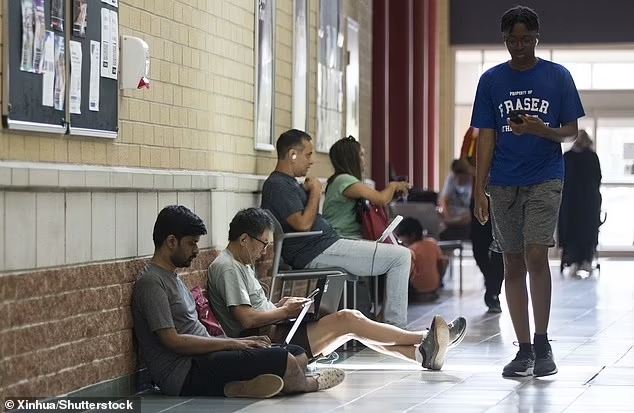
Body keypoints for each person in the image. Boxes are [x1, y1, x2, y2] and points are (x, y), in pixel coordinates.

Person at [471, 5, 585, 378]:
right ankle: (523, 349)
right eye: (512, 40)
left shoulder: (557, 76)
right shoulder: (491, 80)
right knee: (512, 260)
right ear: (504, 40)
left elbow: (570, 131)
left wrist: (542, 130)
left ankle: (542, 341)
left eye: (526, 39)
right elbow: (486, 137)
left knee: (536, 254)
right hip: (503, 181)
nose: (519, 47)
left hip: (545, 176)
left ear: (537, 38)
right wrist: (479, 188)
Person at [207, 207, 467, 370]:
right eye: (262, 244)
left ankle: (422, 356)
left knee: (352, 328)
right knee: (349, 319)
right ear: (244, 239)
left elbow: (255, 309)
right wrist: (285, 311)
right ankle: (425, 337)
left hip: (277, 328)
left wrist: (281, 305)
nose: (264, 251)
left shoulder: (241, 263)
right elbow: (246, 319)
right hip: (270, 340)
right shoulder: (228, 267)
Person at [131, 205, 345, 398]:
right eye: (191, 243)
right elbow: (173, 341)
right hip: (184, 371)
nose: (196, 250)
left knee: (297, 354)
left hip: (205, 357)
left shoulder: (172, 278)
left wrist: (231, 345)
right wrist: (233, 343)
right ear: (171, 242)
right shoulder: (152, 283)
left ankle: (240, 387)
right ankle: (310, 383)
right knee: (286, 360)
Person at [261, 129, 411, 328]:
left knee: (398, 256)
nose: (311, 161)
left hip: (324, 245)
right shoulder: (278, 185)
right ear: (292, 154)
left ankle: (388, 328)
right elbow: (303, 224)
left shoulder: (288, 183)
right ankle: (398, 329)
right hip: (316, 249)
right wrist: (316, 191)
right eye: (308, 155)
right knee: (401, 257)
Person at [322, 135, 409, 238]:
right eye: (361, 155)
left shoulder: (342, 180)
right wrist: (393, 185)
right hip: (341, 237)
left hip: (349, 237)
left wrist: (392, 196)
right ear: (351, 158)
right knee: (398, 249)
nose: (364, 160)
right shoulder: (344, 180)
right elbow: (380, 199)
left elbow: (374, 204)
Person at [459, 127, 505, 313]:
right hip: (478, 196)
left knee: (500, 248)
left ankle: (494, 292)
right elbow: (463, 160)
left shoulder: (504, 127)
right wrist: (478, 173)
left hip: (502, 196)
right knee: (479, 247)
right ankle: (491, 281)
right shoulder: (474, 132)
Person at [558, 130, 602, 275]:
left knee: (572, 231)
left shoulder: (567, 157)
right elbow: (598, 178)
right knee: (588, 231)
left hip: (570, 201)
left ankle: (574, 260)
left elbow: (562, 178)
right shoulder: (592, 157)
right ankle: (586, 260)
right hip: (588, 201)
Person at [394, 217, 448, 297]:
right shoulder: (432, 243)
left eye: (402, 239)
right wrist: (439, 280)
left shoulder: (410, 250)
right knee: (445, 260)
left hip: (415, 289)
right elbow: (440, 263)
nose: (401, 242)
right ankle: (436, 284)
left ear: (412, 236)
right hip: (433, 286)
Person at [438, 159, 472, 241]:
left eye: (461, 176)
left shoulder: (472, 182)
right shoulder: (451, 178)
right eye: (456, 175)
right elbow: (444, 200)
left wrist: (450, 221)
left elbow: (471, 213)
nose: (458, 179)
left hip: (466, 217)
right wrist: (448, 216)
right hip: (451, 215)